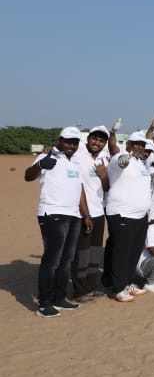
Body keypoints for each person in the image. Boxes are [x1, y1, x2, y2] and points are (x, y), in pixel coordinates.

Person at [25, 127, 94, 318]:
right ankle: (44, 303)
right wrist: (40, 165)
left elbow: (79, 190)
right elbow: (27, 176)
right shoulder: (48, 157)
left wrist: (86, 215)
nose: (71, 145)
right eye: (68, 141)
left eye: (75, 142)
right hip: (52, 212)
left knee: (67, 260)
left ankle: (59, 298)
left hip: (74, 215)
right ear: (59, 140)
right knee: (52, 260)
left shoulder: (75, 163)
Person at [103, 131, 152, 302]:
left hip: (140, 216)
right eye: (136, 144)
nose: (139, 147)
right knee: (121, 253)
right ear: (129, 144)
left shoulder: (140, 163)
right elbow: (119, 161)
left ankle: (128, 282)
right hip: (122, 214)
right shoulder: (121, 157)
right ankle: (117, 288)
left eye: (142, 144)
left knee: (133, 252)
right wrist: (123, 159)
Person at [69, 125, 110, 301]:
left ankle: (91, 287)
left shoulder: (104, 159)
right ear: (88, 138)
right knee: (81, 253)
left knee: (94, 252)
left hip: (98, 211)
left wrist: (102, 175)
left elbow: (107, 188)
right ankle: (79, 291)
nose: (97, 142)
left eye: (101, 140)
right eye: (95, 138)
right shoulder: (77, 156)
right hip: (80, 212)